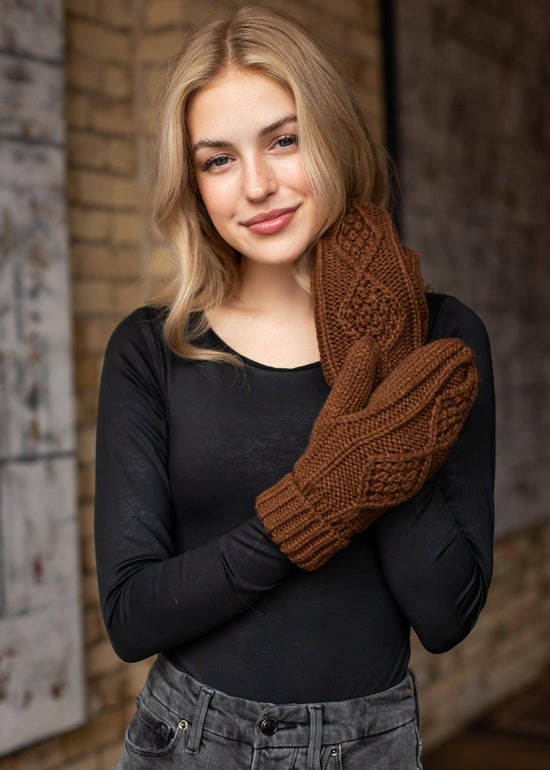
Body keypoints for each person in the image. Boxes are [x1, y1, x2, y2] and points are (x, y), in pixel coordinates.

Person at [94, 6, 495, 769]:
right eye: (218, 160)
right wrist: (312, 507)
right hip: (190, 742)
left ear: (334, 135)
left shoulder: (442, 338)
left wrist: (375, 383)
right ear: (194, 183)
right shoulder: (152, 349)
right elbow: (131, 616)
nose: (257, 186)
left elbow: (446, 615)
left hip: (369, 745)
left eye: (284, 140)